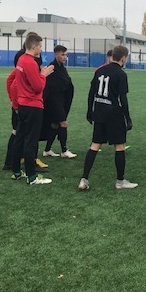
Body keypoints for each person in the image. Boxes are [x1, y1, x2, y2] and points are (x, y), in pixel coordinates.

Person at [79, 45, 137, 191]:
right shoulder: (121, 74)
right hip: (114, 115)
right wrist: (128, 118)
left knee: (95, 145)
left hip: (99, 112)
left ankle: (84, 179)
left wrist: (89, 111)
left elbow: (91, 93)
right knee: (120, 146)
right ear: (123, 58)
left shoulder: (99, 71)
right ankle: (120, 181)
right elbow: (122, 99)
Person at [11, 34, 54, 185]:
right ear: (34, 46)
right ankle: (32, 177)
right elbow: (38, 87)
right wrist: (43, 75)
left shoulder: (21, 60)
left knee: (20, 138)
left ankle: (16, 171)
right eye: (40, 46)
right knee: (31, 141)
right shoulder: (30, 62)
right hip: (33, 106)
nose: (41, 49)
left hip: (22, 105)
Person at [42, 45, 77, 159]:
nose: (65, 57)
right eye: (62, 55)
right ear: (56, 54)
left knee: (55, 124)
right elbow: (49, 85)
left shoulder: (62, 67)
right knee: (63, 123)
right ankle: (64, 150)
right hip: (53, 101)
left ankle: (47, 150)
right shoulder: (51, 68)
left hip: (61, 100)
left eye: (66, 55)